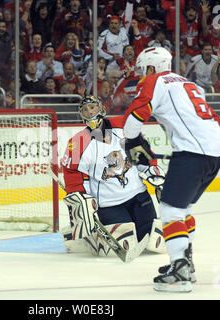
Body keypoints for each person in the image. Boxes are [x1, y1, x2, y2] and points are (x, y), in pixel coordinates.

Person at [121, 46, 220, 292]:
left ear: (152, 68)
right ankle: (186, 262)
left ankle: (179, 269)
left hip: (192, 152)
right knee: (183, 209)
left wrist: (131, 141)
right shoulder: (190, 85)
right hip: (214, 153)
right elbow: (211, 118)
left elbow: (136, 115)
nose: (142, 75)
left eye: (143, 70)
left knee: (170, 210)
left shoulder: (154, 81)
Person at [61, 95, 166, 260]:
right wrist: (80, 197)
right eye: (85, 110)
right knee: (123, 242)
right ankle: (89, 238)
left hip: (138, 195)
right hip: (109, 204)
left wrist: (152, 170)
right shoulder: (79, 142)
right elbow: (71, 172)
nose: (89, 112)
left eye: (92, 107)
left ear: (101, 108)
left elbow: (141, 152)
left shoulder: (122, 126)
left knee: (153, 241)